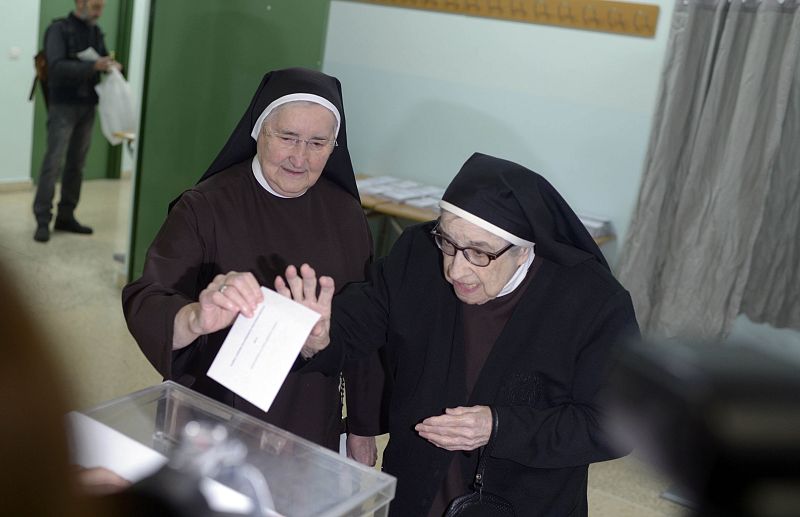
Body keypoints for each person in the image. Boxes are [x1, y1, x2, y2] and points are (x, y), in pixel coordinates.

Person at [276, 152, 641, 516]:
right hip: (416, 488)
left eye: (479, 254)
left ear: (524, 250)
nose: (455, 270)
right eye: (448, 243)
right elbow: (362, 317)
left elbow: (615, 426)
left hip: (523, 502)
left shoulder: (594, 303)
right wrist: (322, 335)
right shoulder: (418, 255)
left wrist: (499, 427)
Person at [122, 68, 384, 466]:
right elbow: (148, 297)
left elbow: (368, 327)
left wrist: (362, 427)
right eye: (287, 138)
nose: (300, 157)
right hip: (215, 409)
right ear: (259, 130)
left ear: (335, 146)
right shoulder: (204, 206)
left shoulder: (346, 215)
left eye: (318, 143)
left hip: (310, 409)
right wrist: (195, 317)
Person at [33, 0, 121, 243]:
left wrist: (109, 66)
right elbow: (57, 67)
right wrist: (93, 65)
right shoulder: (58, 30)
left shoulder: (95, 31)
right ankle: (42, 218)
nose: (98, 11)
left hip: (87, 106)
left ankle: (66, 215)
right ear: (79, 2)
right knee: (53, 162)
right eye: (94, 5)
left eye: (101, 6)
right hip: (62, 105)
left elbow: (102, 58)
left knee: (77, 164)